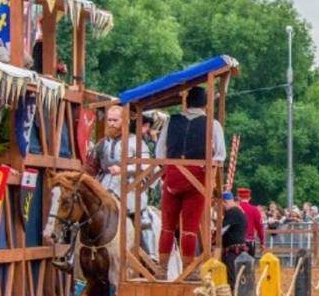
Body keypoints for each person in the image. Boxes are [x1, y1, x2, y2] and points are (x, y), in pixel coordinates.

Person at [155, 86, 227, 279]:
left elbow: (160, 153)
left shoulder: (171, 121)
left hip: (172, 178)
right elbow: (220, 155)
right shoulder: (212, 124)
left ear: (187, 102)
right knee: (190, 228)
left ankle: (161, 269)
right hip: (197, 181)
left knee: (167, 226)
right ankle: (190, 270)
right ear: (205, 103)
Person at [83, 106, 153, 254]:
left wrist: (123, 169)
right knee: (84, 215)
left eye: (115, 120)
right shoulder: (102, 144)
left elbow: (147, 165)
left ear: (124, 121)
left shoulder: (136, 142)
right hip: (103, 186)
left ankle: (150, 256)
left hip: (130, 186)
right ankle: (72, 256)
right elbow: (90, 167)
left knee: (142, 218)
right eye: (109, 120)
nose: (111, 123)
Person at [220, 192, 248, 289]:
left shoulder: (232, 212)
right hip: (239, 250)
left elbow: (222, 231)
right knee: (240, 278)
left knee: (232, 279)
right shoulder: (238, 212)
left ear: (224, 202)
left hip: (233, 252)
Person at [236, 187, 265, 257]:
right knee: (249, 264)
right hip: (249, 241)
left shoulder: (235, 209)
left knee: (236, 265)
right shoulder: (254, 210)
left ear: (238, 198)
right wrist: (262, 242)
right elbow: (260, 227)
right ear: (249, 198)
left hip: (237, 242)